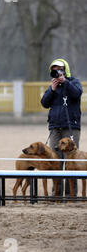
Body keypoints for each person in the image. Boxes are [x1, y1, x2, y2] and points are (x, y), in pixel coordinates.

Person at [41, 58, 82, 198]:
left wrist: (66, 83)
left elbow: (77, 94)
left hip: (71, 126)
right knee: (55, 161)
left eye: (59, 69)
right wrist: (52, 90)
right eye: (54, 70)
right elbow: (44, 103)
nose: (56, 72)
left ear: (65, 70)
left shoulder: (74, 82)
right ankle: (56, 195)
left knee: (72, 161)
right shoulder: (52, 86)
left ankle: (71, 195)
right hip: (55, 127)